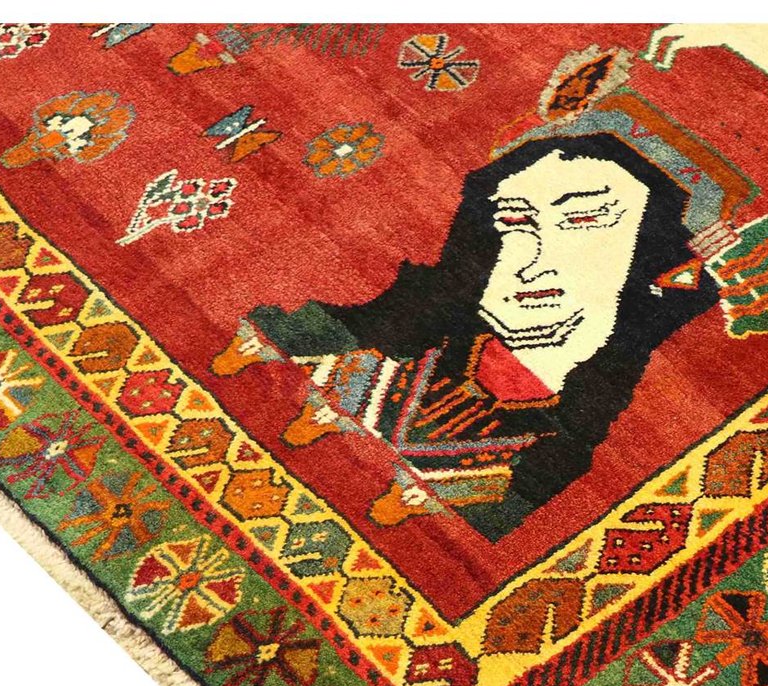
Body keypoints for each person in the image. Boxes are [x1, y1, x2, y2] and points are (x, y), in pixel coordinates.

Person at [245, 132, 719, 541]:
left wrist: (695, 275)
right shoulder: (367, 333)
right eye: (516, 223)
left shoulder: (561, 433)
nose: (533, 266)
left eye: (581, 224)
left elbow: (655, 318)